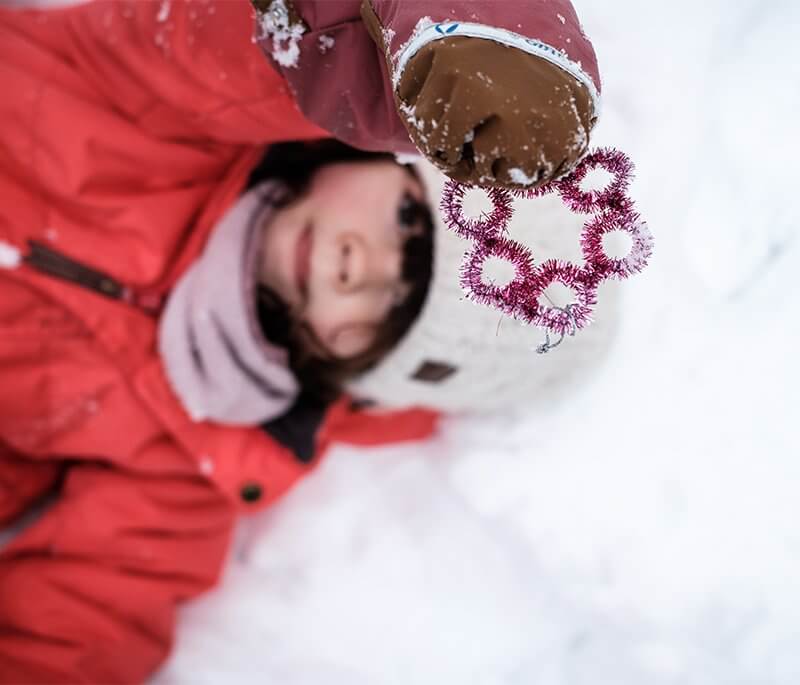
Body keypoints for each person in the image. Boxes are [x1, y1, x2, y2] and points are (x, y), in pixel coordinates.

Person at [0, 1, 615, 682]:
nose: (363, 265)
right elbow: (294, 35)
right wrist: (428, 45)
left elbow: (81, 626)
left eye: (394, 312)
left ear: (363, 377)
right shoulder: (179, 102)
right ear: (387, 150)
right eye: (408, 224)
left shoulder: (190, 463)